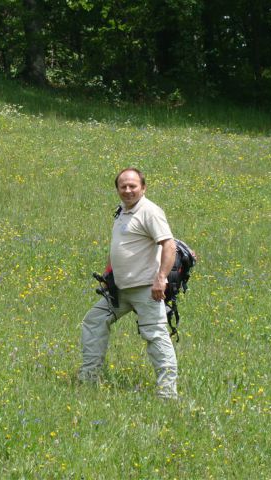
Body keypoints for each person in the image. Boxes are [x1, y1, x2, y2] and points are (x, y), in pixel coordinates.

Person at [78, 167, 179, 399]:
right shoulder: (121, 212)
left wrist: (161, 279)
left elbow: (169, 245)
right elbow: (117, 247)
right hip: (120, 289)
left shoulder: (149, 211)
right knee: (93, 322)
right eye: (123, 186)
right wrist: (107, 277)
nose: (127, 190)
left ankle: (167, 394)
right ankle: (89, 379)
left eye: (132, 186)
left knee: (155, 335)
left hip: (147, 289)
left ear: (143, 187)